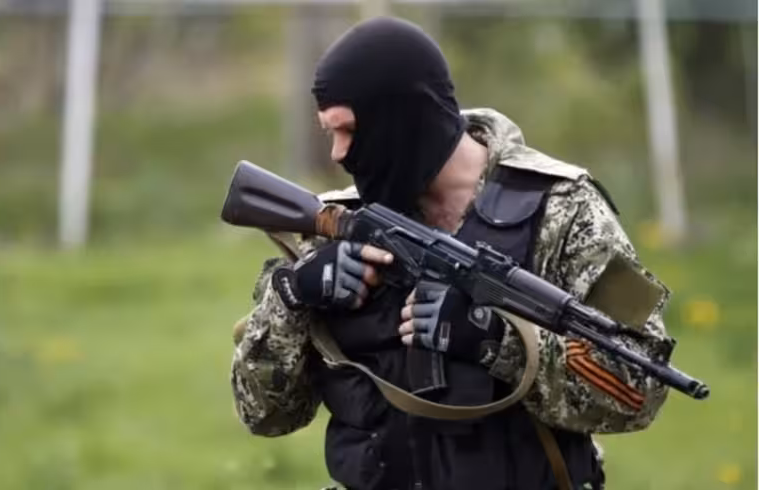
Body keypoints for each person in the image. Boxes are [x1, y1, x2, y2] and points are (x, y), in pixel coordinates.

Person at [230, 16, 675, 490]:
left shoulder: (566, 210)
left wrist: (498, 341)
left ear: (405, 118)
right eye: (329, 133)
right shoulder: (334, 225)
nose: (339, 154)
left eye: (351, 129)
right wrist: (293, 296)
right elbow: (263, 414)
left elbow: (640, 387)